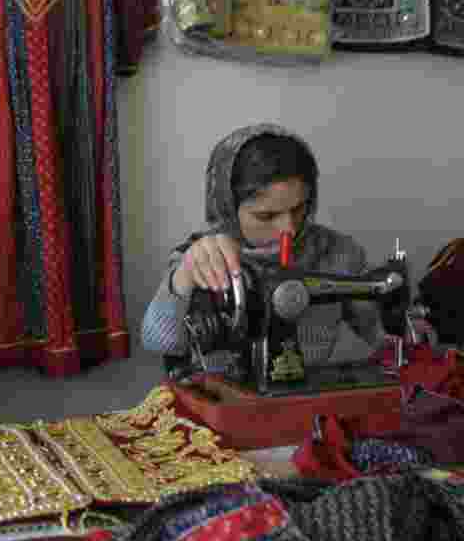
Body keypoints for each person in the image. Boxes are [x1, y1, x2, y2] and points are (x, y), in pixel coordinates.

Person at [141, 123, 385, 370]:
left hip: (302, 401)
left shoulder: (337, 252)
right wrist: (182, 278)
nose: (288, 229)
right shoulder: (203, 256)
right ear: (228, 209)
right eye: (267, 216)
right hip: (223, 401)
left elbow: (383, 334)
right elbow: (158, 341)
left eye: (299, 209)